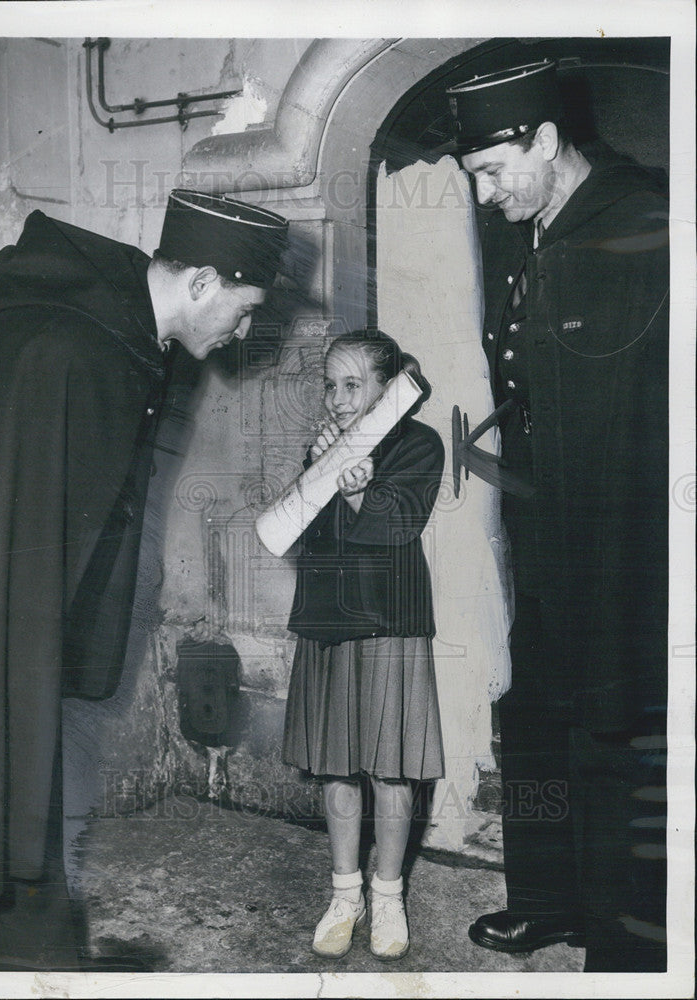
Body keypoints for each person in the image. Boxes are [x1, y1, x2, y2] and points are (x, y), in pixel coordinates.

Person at [0, 189, 289, 970]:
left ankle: (32, 949)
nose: (243, 331)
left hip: (26, 616)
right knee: (9, 759)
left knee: (27, 764)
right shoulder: (65, 348)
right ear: (203, 282)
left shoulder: (108, 340)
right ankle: (19, 954)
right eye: (243, 309)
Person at [444, 60, 668, 971]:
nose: (488, 195)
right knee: (531, 719)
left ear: (544, 138)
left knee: (613, 735)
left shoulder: (645, 223)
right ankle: (547, 898)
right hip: (542, 527)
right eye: (475, 180)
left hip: (622, 537)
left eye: (496, 170)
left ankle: (625, 941)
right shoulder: (530, 227)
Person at [282, 330, 445, 962]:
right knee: (335, 761)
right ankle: (345, 895)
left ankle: (388, 896)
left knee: (390, 766)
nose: (339, 398)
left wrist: (353, 489)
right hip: (329, 619)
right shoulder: (324, 445)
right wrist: (322, 471)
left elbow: (399, 523)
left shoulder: (419, 444)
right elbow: (303, 526)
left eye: (354, 385)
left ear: (386, 386)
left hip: (391, 621)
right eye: (331, 384)